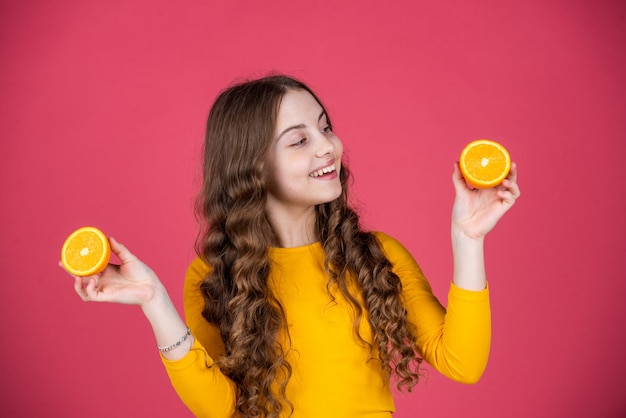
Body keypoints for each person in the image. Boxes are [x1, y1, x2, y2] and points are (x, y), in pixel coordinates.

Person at [64, 75, 520, 417]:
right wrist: (154, 302)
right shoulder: (213, 277)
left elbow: (463, 362)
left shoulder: (376, 254)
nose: (329, 147)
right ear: (254, 168)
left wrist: (468, 239)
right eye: (300, 140)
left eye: (325, 128)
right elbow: (221, 409)